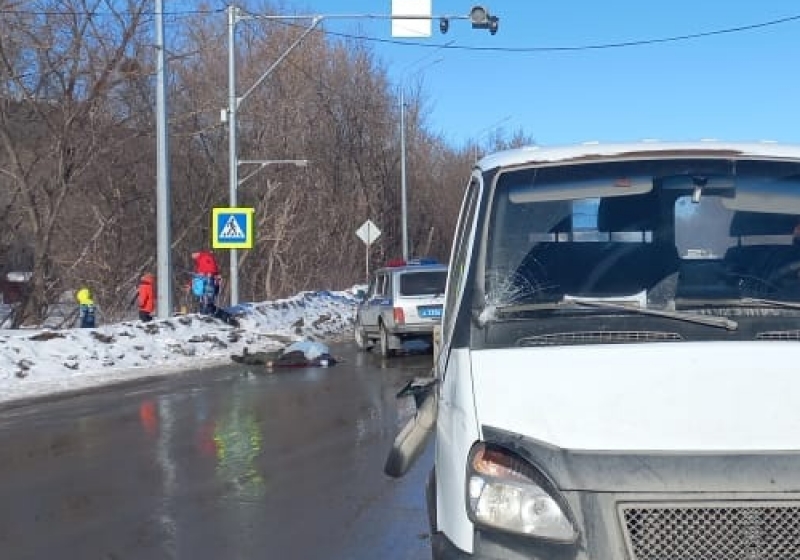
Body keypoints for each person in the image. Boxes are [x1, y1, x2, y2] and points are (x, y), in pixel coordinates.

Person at [191, 250, 220, 315]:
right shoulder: (202, 258)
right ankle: (206, 309)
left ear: (197, 253)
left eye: (193, 254)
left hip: (208, 279)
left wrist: (207, 274)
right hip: (207, 279)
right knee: (206, 294)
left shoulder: (204, 257)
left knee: (207, 294)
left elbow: (211, 268)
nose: (193, 257)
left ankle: (207, 310)